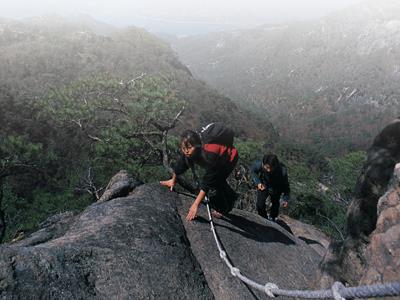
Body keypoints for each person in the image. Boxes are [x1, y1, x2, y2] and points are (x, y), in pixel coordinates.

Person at [160, 123, 238, 221]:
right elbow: (180, 165)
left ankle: (226, 204)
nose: (186, 151)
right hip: (217, 158)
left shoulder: (210, 154)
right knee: (214, 181)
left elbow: (208, 181)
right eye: (183, 148)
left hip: (229, 158)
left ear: (197, 145)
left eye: (189, 148)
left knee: (217, 181)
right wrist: (173, 180)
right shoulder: (192, 150)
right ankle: (229, 195)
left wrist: (195, 205)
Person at [251, 153, 290, 221]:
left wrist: (285, 198)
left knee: (275, 204)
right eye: (267, 167)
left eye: (271, 168)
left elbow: (286, 186)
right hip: (264, 185)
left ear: (275, 166)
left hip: (277, 188)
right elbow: (253, 172)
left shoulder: (282, 171)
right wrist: (258, 183)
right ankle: (263, 218)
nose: (268, 170)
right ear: (263, 164)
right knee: (259, 205)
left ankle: (273, 218)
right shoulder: (259, 165)